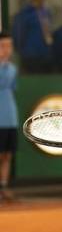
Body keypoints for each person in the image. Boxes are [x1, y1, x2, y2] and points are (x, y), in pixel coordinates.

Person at [11, 0, 54, 74]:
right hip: (30, 57)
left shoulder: (47, 13)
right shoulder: (25, 13)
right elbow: (17, 36)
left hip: (46, 57)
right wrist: (24, 53)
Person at [0, 32, 18, 203]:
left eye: (9, 46)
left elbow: (12, 88)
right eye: (2, 46)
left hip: (10, 117)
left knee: (7, 155)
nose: (6, 50)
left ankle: (4, 186)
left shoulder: (13, 69)